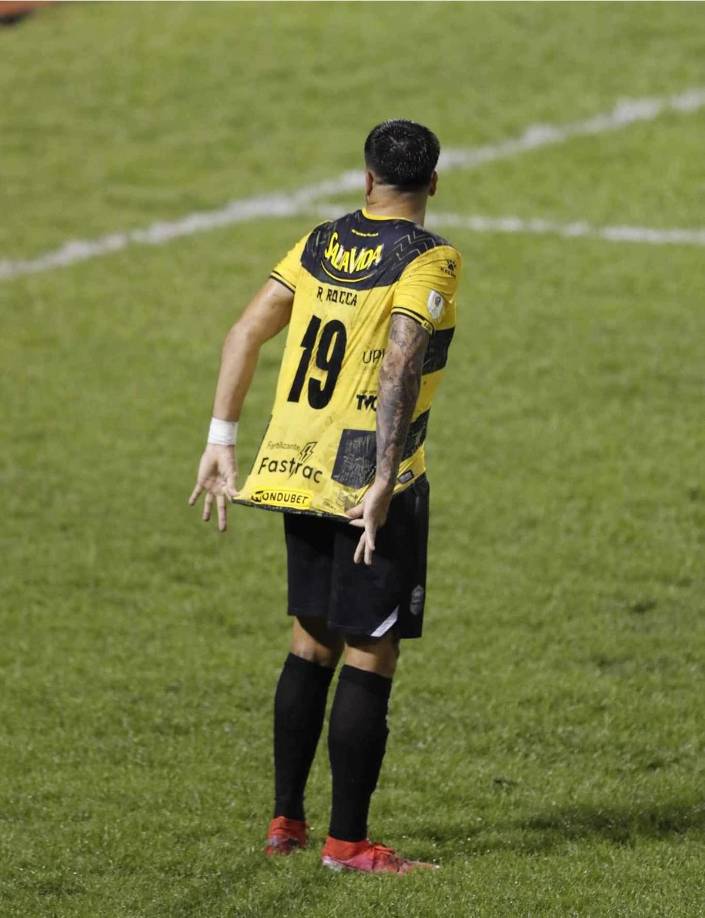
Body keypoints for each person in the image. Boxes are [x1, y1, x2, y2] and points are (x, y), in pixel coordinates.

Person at [189, 120, 461, 874]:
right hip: (364, 480)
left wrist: (221, 438)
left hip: (290, 466)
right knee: (371, 650)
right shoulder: (429, 257)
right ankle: (348, 844)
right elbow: (402, 357)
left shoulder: (316, 244)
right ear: (432, 183)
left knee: (310, 641)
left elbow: (245, 331)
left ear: (366, 178)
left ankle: (286, 821)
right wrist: (381, 478)